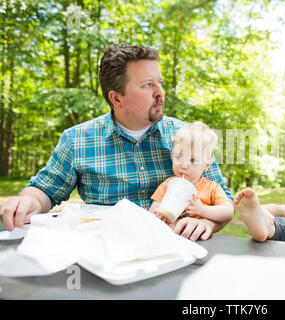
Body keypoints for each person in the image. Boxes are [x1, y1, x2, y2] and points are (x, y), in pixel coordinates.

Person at [0, 44, 233, 241]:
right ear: (116, 98)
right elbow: (44, 191)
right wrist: (27, 201)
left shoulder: (186, 136)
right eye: (147, 85)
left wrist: (207, 223)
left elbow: (224, 201)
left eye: (160, 83)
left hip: (176, 249)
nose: (160, 92)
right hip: (107, 250)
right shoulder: (77, 140)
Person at [149, 122, 234, 224]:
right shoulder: (168, 185)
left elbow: (228, 212)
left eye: (193, 160)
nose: (184, 165)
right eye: (178, 157)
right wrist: (160, 214)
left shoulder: (212, 188)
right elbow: (152, 212)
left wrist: (203, 210)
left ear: (207, 165)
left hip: (198, 238)